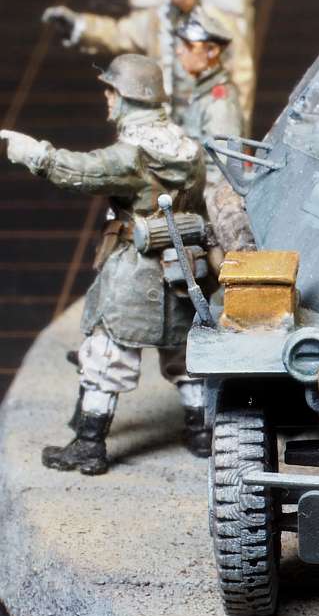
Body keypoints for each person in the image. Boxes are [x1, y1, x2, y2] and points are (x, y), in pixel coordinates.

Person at [0, 55, 212, 475]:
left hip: (136, 272)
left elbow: (83, 171)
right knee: (185, 355)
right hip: (182, 268)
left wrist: (34, 154)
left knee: (105, 355)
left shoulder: (132, 157)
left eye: (112, 91)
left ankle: (90, 444)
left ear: (132, 98)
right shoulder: (188, 148)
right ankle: (202, 431)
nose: (107, 97)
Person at [42, 0, 254, 129]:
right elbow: (118, 33)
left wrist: (238, 123)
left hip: (206, 113)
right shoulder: (156, 21)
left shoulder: (217, 24)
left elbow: (242, 72)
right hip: (167, 116)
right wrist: (79, 25)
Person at [175, 10, 254, 252]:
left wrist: (188, 205)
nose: (179, 51)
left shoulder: (219, 102)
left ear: (211, 52)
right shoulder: (203, 93)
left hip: (212, 209)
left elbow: (221, 170)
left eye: (189, 46)